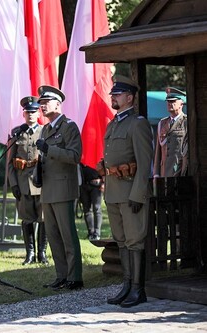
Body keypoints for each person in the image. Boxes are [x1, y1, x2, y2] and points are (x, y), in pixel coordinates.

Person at [100, 76, 153, 308]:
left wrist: (138, 194)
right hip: (113, 192)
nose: (113, 97)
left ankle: (137, 290)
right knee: (121, 241)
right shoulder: (113, 124)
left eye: (118, 94)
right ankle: (126, 285)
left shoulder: (137, 123)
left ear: (130, 97)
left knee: (134, 242)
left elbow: (145, 163)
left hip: (131, 192)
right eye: (113, 94)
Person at [34, 85, 83, 290]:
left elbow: (74, 156)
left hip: (63, 188)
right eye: (41, 103)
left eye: (46, 102)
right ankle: (61, 275)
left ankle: (75, 277)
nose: (42, 106)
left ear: (58, 104)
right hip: (48, 188)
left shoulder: (69, 126)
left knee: (67, 235)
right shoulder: (45, 128)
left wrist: (50, 149)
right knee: (53, 235)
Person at [8, 96, 48, 265]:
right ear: (23, 114)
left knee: (44, 218)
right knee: (27, 218)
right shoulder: (17, 133)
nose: (30, 115)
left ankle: (42, 253)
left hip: (42, 182)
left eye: (33, 112)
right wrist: (14, 184)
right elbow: (10, 163)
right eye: (27, 112)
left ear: (38, 113)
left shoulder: (45, 131)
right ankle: (29, 253)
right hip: (23, 182)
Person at [153, 87, 188, 178]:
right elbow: (158, 151)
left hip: (179, 171)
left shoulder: (186, 122)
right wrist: (156, 173)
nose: (169, 104)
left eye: (173, 101)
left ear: (181, 104)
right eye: (168, 101)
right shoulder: (162, 123)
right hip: (164, 172)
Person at [79, 163, 104, 241]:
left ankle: (97, 233)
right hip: (83, 185)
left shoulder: (96, 154)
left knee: (97, 208)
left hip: (96, 184)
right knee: (86, 209)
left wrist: (103, 182)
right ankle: (91, 232)